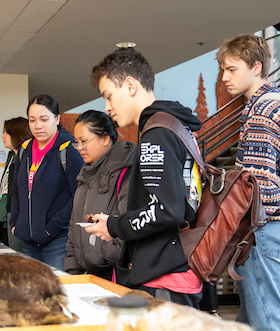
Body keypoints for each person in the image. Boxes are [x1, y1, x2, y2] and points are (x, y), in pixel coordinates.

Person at [85, 48, 204, 308]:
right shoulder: (173, 124)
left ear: (129, 85)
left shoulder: (156, 134)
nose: (107, 107)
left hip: (165, 276)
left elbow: (165, 210)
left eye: (109, 96)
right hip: (176, 268)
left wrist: (115, 226)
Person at [216, 34, 280, 331]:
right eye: (223, 70)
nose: (224, 78)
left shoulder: (262, 112)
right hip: (279, 223)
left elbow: (256, 184)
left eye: (232, 69)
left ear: (256, 67)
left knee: (269, 324)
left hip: (261, 228)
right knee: (254, 319)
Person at [10, 94, 83, 270]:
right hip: (27, 240)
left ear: (57, 119)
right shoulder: (25, 149)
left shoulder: (69, 149)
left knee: (56, 292)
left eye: (44, 119)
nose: (38, 126)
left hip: (57, 241)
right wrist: (15, 223)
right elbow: (17, 191)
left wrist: (51, 228)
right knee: (29, 291)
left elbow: (78, 196)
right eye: (32, 120)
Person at [64, 110, 136, 280]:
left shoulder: (125, 173)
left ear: (105, 138)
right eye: (77, 143)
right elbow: (74, 226)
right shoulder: (86, 174)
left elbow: (126, 228)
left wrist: (102, 257)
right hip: (86, 274)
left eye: (84, 141)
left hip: (112, 274)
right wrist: (73, 267)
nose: (80, 148)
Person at [0, 117, 33, 251]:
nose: (2, 136)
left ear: (17, 134)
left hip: (18, 219)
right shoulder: (11, 157)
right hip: (5, 218)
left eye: (6, 132)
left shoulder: (28, 159)